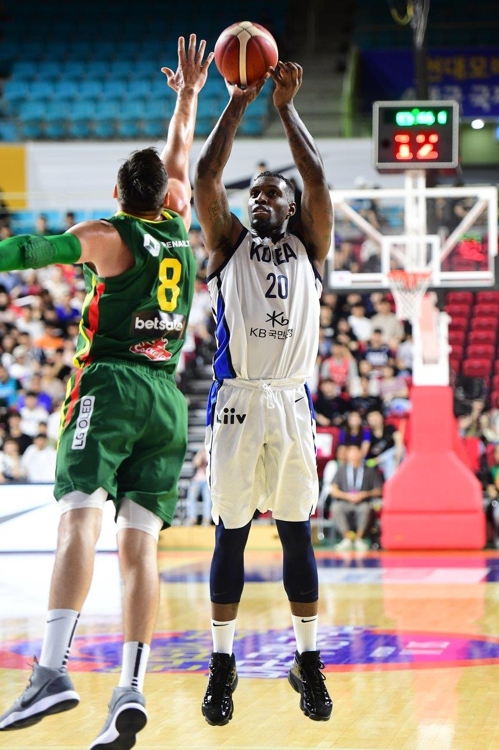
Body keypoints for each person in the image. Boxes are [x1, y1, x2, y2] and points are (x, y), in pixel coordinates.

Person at [0, 34, 213, 749]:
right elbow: (177, 159)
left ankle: (52, 671)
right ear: (164, 197)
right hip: (167, 402)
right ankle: (131, 686)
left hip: (114, 384)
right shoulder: (179, 223)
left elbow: (30, 253)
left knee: (79, 521)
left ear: (121, 195)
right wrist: (186, 97)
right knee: (139, 549)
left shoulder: (105, 233)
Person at [194, 60, 333, 726]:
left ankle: (306, 662)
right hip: (236, 403)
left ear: (290, 206)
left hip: (291, 400)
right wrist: (238, 103)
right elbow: (203, 178)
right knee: (231, 537)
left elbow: (317, 178)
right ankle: (223, 666)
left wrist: (284, 107)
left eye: (273, 193)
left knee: (296, 534)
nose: (259, 198)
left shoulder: (310, 244)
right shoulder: (226, 245)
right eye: (254, 193)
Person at [329, 444, 383, 551]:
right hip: (345, 501)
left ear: (361, 453)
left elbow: (379, 490)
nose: (354, 455)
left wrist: (364, 494)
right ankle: (347, 539)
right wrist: (347, 496)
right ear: (347, 455)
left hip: (362, 502)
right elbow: (333, 490)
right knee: (336, 507)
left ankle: (359, 539)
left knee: (365, 508)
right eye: (351, 452)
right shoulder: (341, 470)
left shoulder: (369, 470)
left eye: (356, 452)